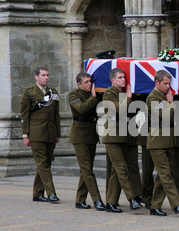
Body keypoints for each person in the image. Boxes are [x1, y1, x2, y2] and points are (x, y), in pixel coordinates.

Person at [146, 70, 179, 216]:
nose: (167, 86)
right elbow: (164, 115)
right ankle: (177, 205)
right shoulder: (153, 97)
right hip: (157, 141)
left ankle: (155, 206)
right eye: (165, 83)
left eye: (169, 83)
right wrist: (170, 102)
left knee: (163, 176)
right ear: (156, 82)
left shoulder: (163, 96)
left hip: (168, 141)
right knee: (165, 175)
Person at [102, 68, 142, 212]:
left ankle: (111, 202)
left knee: (116, 171)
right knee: (121, 169)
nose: (123, 80)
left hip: (125, 135)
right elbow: (118, 109)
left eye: (124, 77)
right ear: (113, 80)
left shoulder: (123, 93)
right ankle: (132, 199)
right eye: (120, 77)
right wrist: (129, 97)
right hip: (112, 136)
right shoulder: (109, 93)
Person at [20, 66, 60, 203]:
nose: (46, 77)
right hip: (36, 133)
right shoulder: (29, 93)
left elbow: (56, 115)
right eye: (43, 75)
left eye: (47, 75)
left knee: (45, 163)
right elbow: (24, 115)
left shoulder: (53, 92)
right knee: (42, 163)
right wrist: (25, 135)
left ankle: (37, 193)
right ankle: (51, 192)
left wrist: (58, 133)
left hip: (50, 132)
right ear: (36, 77)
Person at [69, 72, 106, 211]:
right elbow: (82, 109)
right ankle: (97, 200)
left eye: (90, 81)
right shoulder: (74, 95)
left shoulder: (93, 93)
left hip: (91, 135)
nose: (89, 84)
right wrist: (94, 97)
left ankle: (80, 200)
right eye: (86, 82)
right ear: (79, 84)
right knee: (87, 170)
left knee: (87, 169)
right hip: (79, 137)